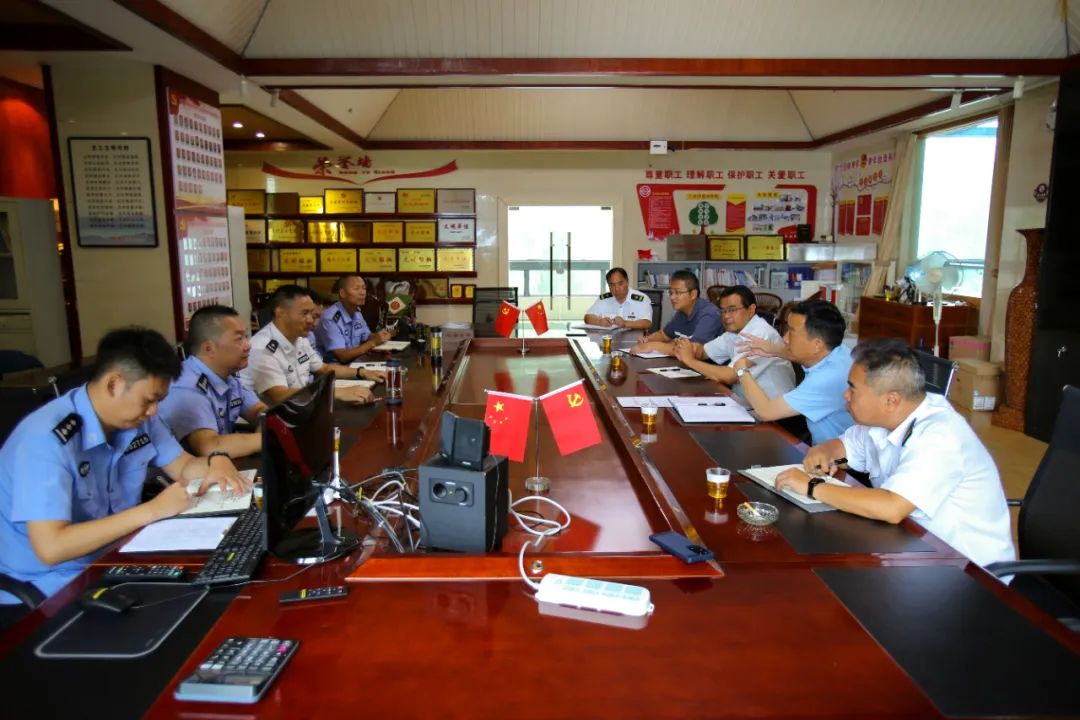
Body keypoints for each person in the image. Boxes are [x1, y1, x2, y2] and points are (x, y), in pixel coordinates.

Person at [0, 327, 250, 605]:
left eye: (158, 401)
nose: (154, 411)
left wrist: (217, 461)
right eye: (149, 400)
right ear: (113, 384)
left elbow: (183, 466)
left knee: (223, 584)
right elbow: (51, 548)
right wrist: (153, 510)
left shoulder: (139, 419)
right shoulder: (46, 439)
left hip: (115, 557)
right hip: (48, 586)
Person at [775, 338, 1015, 569]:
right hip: (909, 547)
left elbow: (892, 507)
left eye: (853, 389)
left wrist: (812, 486)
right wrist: (822, 451)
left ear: (891, 400)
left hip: (965, 570)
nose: (845, 395)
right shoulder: (885, 419)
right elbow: (843, 446)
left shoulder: (941, 436)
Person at [729, 299, 855, 444]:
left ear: (817, 344)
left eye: (791, 332)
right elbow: (811, 353)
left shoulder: (825, 379)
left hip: (833, 456)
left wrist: (741, 370)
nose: (785, 338)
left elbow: (766, 411)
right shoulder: (840, 351)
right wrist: (774, 349)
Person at [240, 284, 384, 405]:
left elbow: (323, 368)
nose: (310, 320)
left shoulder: (300, 338)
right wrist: (338, 392)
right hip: (274, 421)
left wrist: (362, 372)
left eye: (311, 313)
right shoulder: (262, 348)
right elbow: (280, 395)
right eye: (304, 313)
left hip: (301, 409)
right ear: (280, 313)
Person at [158, 305, 267, 459]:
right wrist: (265, 437)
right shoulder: (186, 387)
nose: (248, 345)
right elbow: (209, 447)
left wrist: (265, 425)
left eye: (246, 336)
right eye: (239, 339)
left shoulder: (227, 376)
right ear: (209, 348)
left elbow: (261, 411)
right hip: (185, 471)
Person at [671, 285, 795, 399]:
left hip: (773, 408)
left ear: (751, 310)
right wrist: (686, 347)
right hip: (745, 401)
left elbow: (730, 376)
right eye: (723, 310)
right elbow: (703, 352)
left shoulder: (760, 334)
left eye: (732, 310)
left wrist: (690, 360)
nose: (726, 316)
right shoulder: (734, 332)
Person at [634, 270, 723, 355]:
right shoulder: (682, 312)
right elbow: (664, 335)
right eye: (671, 292)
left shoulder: (709, 314)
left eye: (678, 292)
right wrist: (647, 340)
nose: (672, 297)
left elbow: (693, 350)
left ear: (693, 294)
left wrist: (653, 346)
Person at [314, 275, 395, 363]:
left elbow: (366, 335)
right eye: (356, 288)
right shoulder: (330, 318)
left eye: (364, 288)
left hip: (355, 362)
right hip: (335, 368)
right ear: (342, 293)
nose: (362, 293)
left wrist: (379, 337)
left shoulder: (356, 311)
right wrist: (373, 343)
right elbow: (342, 356)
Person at [583, 267, 652, 330]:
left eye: (620, 284)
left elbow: (647, 323)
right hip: (608, 338)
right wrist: (599, 321)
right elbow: (587, 317)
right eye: (612, 285)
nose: (616, 288)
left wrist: (625, 323)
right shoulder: (603, 299)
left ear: (627, 282)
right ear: (609, 286)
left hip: (635, 339)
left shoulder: (642, 299)